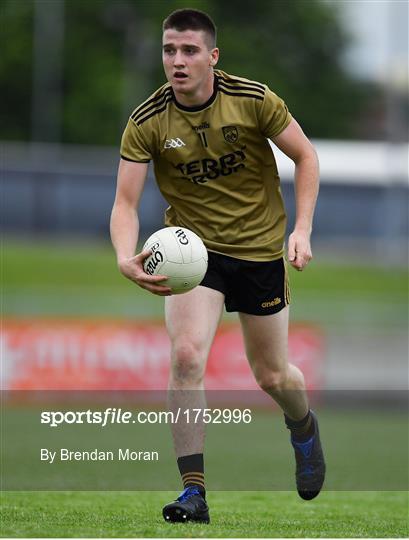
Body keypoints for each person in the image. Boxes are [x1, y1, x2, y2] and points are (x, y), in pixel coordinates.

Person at [110, 8, 325, 524]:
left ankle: (303, 427)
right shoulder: (147, 120)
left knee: (272, 375)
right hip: (193, 255)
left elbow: (307, 157)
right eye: (169, 50)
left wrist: (302, 229)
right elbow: (123, 203)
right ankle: (193, 493)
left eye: (188, 51)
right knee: (186, 356)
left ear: (213, 56)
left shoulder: (252, 99)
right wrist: (124, 257)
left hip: (258, 251)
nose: (177, 61)